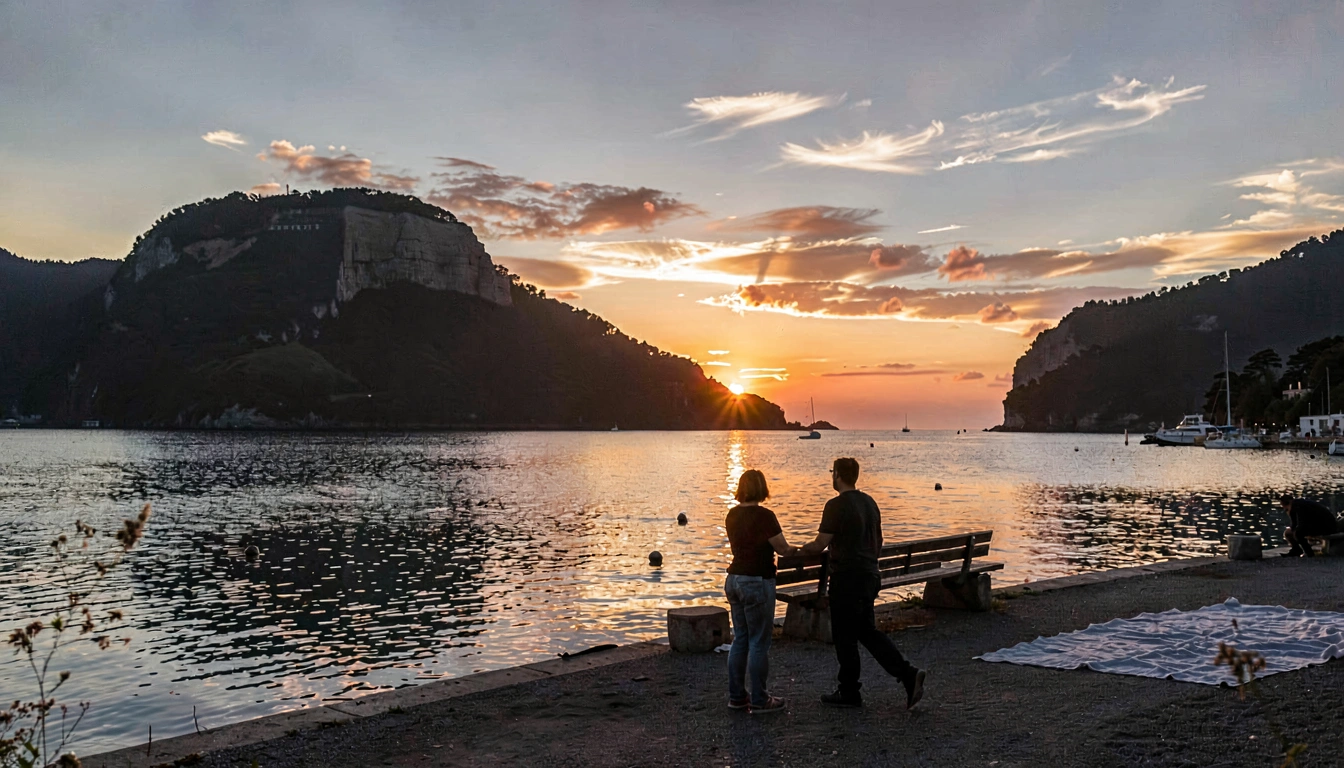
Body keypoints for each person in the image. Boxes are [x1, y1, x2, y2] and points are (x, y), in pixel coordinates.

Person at [799, 457, 926, 709]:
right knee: (866, 631)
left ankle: (850, 691)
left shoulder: (835, 505)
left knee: (845, 636)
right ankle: (906, 674)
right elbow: (878, 541)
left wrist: (799, 550)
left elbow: (820, 543)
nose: (831, 476)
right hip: (870, 575)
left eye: (832, 472)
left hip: (847, 578)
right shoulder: (870, 502)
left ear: (837, 475)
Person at [724, 469, 796, 713]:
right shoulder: (766, 516)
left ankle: (736, 697)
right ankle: (759, 699)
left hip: (734, 579)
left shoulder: (731, 515)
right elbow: (782, 549)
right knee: (758, 642)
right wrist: (799, 550)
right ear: (762, 488)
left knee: (740, 639)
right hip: (757, 581)